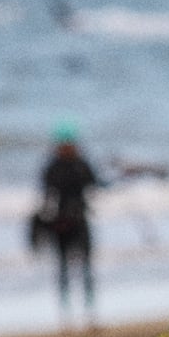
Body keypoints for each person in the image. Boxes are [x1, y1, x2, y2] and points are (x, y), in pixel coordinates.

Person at [32, 125, 101, 318]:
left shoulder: (69, 166)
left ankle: (88, 310)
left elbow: (94, 186)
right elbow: (46, 200)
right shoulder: (59, 167)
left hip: (74, 221)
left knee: (83, 267)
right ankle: (67, 312)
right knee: (65, 268)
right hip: (64, 224)